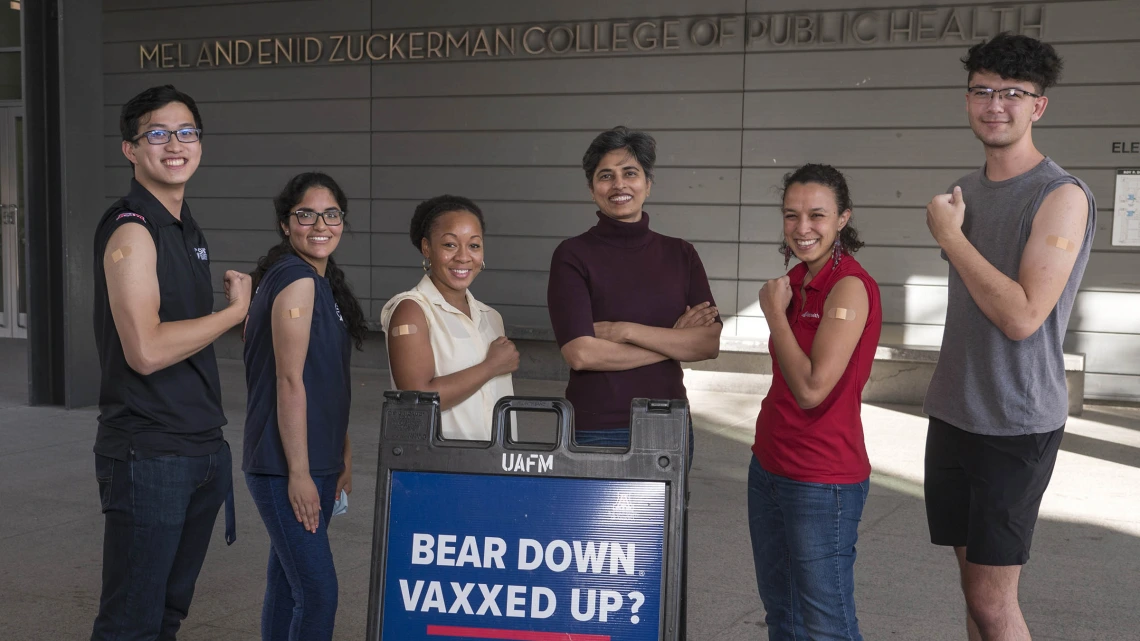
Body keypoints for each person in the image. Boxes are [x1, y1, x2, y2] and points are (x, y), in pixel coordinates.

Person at [923, 33, 1095, 641]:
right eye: (983, 91)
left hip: (1014, 421)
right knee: (974, 596)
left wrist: (951, 238)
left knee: (994, 605)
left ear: (1038, 106)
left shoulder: (1060, 195)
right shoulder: (965, 192)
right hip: (955, 410)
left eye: (1013, 94)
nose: (995, 105)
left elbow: (1023, 316)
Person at [91, 84, 250, 640]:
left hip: (201, 445)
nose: (175, 144)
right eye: (157, 133)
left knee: (165, 616)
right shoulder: (132, 229)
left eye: (187, 132)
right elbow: (148, 349)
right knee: (130, 623)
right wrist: (236, 313)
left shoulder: (184, 224)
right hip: (149, 452)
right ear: (131, 150)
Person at [748, 164, 882, 641]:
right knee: (782, 616)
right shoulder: (796, 280)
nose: (802, 228)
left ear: (843, 218)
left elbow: (811, 389)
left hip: (821, 479)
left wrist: (773, 316)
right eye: (791, 215)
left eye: (817, 215)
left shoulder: (848, 286)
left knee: (827, 625)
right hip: (769, 464)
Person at [242, 172, 369, 640]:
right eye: (306, 214)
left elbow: (325, 380)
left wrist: (342, 452)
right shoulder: (296, 281)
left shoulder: (320, 282)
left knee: (286, 583)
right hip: (283, 463)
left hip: (316, 456)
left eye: (331, 214)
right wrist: (298, 473)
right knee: (318, 593)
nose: (321, 224)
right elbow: (289, 380)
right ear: (284, 224)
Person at [546, 126, 721, 450]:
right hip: (597, 426)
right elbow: (581, 353)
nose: (619, 185)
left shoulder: (681, 254)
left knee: (669, 505)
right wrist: (672, 340)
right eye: (606, 175)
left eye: (630, 173)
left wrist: (624, 330)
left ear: (648, 183)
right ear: (591, 188)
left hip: (669, 422)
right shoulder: (572, 255)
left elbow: (707, 344)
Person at [380, 195, 518, 440]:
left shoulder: (490, 317)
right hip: (440, 469)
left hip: (497, 467)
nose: (464, 257)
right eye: (450, 245)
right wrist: (491, 366)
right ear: (426, 248)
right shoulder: (412, 310)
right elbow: (418, 398)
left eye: (474, 245)